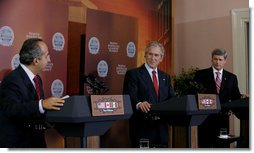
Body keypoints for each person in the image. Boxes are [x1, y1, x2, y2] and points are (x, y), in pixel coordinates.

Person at [0, 38, 65, 148]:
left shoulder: (37, 79)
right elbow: (12, 110)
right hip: (18, 143)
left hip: (36, 140)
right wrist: (42, 104)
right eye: (47, 56)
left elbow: (38, 111)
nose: (49, 60)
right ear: (36, 61)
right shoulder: (12, 80)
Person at [123, 41, 174, 148]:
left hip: (161, 130)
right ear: (145, 55)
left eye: (156, 55)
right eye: (150, 54)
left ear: (161, 58)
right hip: (142, 128)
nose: (153, 58)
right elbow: (128, 96)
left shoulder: (166, 77)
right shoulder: (133, 74)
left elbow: (171, 100)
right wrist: (139, 104)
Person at [192, 48, 242, 148]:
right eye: (215, 59)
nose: (217, 62)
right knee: (204, 146)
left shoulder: (232, 77)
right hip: (205, 118)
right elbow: (193, 94)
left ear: (225, 61)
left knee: (222, 147)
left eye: (220, 59)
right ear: (211, 59)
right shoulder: (201, 75)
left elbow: (236, 96)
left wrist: (240, 100)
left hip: (223, 118)